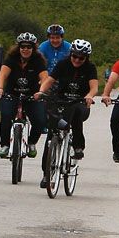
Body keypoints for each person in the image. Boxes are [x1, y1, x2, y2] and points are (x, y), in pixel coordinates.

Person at [37, 38, 98, 188]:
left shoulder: (90, 68)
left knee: (76, 112)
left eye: (81, 58)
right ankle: (46, 173)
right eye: (74, 56)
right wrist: (41, 91)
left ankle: (78, 146)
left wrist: (89, 96)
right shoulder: (63, 64)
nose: (77, 60)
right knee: (52, 134)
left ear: (86, 58)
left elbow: (94, 87)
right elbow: (50, 80)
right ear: (70, 54)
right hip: (61, 100)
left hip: (80, 102)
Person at [0, 32, 49, 159]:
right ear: (18, 47)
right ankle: (5, 145)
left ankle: (31, 143)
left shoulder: (38, 60)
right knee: (6, 116)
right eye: (22, 46)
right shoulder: (11, 59)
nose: (25, 49)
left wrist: (41, 92)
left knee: (40, 120)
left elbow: (45, 78)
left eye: (29, 47)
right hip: (12, 93)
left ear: (33, 48)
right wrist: (0, 89)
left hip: (32, 95)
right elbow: (2, 75)